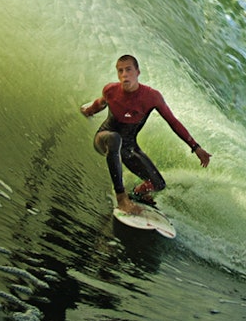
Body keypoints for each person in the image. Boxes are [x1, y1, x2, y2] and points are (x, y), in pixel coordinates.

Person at [80, 54, 211, 214]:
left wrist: (195, 147)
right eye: (120, 71)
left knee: (158, 184)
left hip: (128, 146)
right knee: (115, 138)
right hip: (105, 139)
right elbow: (100, 103)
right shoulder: (111, 90)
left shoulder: (151, 97)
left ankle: (136, 194)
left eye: (128, 70)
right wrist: (88, 111)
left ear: (138, 72)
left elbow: (173, 122)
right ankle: (122, 198)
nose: (124, 74)